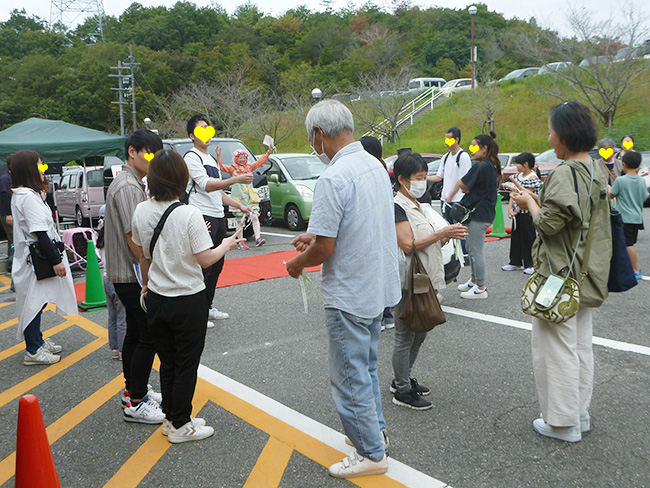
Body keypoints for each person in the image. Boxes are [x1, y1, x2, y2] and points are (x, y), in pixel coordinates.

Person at [286, 99, 401, 479]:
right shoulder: (373, 164)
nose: (313, 146)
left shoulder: (334, 177)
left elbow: (325, 248)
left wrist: (297, 263)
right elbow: (352, 225)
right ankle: (375, 435)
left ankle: (370, 453)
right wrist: (315, 238)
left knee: (349, 374)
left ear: (319, 135)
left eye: (311, 138)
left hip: (350, 289)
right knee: (365, 366)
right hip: (377, 283)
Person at [513, 100, 611, 443]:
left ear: (564, 136)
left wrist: (529, 203)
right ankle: (578, 412)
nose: (549, 134)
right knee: (580, 344)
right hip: (588, 270)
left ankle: (561, 421)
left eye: (551, 128)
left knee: (555, 348)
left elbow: (549, 224)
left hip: (559, 274)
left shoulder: (563, 173)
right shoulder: (598, 169)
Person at [132, 150, 243, 443]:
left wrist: (146, 283)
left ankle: (171, 417)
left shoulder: (141, 210)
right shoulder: (189, 213)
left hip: (156, 297)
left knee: (168, 361)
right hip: (188, 298)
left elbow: (145, 255)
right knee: (186, 363)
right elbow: (205, 259)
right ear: (182, 178)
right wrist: (228, 244)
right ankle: (181, 424)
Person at [392, 152, 467, 410]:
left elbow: (426, 241)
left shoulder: (417, 204)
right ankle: (401, 389)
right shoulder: (397, 206)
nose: (423, 182)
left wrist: (447, 236)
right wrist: (441, 234)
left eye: (425, 176)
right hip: (407, 281)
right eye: (418, 177)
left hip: (424, 279)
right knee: (405, 335)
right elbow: (407, 245)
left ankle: (403, 378)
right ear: (402, 179)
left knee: (420, 331)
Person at [105, 129, 165, 423]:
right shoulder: (128, 186)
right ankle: (137, 400)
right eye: (149, 153)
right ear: (132, 151)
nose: (153, 160)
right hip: (131, 273)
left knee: (134, 332)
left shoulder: (128, 182)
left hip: (122, 271)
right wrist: (148, 272)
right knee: (148, 335)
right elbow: (134, 236)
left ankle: (134, 391)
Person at [183, 116, 253, 326]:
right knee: (203, 265)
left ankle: (207, 307)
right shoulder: (191, 157)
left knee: (217, 264)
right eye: (200, 130)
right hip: (201, 215)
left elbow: (219, 192)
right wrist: (237, 179)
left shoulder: (211, 159)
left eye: (208, 129)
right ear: (192, 136)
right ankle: (197, 312)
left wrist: (239, 205)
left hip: (218, 215)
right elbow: (205, 185)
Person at [10, 150, 77, 365]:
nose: (43, 168)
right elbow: (40, 232)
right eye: (40, 165)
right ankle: (33, 350)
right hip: (35, 260)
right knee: (34, 303)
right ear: (29, 168)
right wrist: (56, 260)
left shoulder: (25, 194)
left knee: (37, 301)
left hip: (30, 258)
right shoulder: (27, 197)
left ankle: (36, 341)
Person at [448, 131, 501, 299]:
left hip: (478, 215)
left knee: (475, 252)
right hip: (483, 213)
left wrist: (463, 187)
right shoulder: (490, 165)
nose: (471, 149)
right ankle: (474, 280)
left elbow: (462, 184)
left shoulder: (480, 166)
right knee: (471, 249)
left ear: (484, 148)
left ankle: (480, 287)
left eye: (474, 146)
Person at [359, 135, 394, 331]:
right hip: (386, 226)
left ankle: (378, 316)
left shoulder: (368, 169)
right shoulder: (382, 168)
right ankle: (387, 315)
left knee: (373, 273)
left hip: (372, 228)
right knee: (385, 269)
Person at [217, 144, 272, 249]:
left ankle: (258, 238)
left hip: (249, 196)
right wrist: (218, 157)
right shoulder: (232, 169)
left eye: (244, 158)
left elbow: (259, 162)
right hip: (239, 197)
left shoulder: (249, 167)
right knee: (240, 220)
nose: (242, 160)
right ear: (236, 159)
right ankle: (240, 241)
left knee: (255, 216)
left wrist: (268, 153)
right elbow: (222, 167)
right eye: (240, 158)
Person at [609, 150, 648, 279]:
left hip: (624, 218)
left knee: (627, 244)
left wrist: (608, 188)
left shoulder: (621, 180)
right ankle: (627, 268)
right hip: (636, 217)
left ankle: (635, 270)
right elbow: (644, 198)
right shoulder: (641, 181)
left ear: (624, 164)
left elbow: (611, 195)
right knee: (628, 243)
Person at [502, 152, 542, 275]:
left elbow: (525, 196)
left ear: (525, 164)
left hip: (527, 213)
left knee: (528, 237)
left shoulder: (532, 178)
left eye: (518, 163)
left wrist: (516, 209)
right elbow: (513, 195)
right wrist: (510, 209)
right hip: (517, 213)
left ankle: (531, 263)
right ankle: (515, 261)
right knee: (516, 237)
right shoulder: (518, 176)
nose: (516, 166)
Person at [97, 205, 126, 360]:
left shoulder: (101, 237)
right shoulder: (116, 236)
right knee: (123, 317)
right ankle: (123, 350)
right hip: (118, 279)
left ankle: (114, 348)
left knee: (112, 315)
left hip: (106, 278)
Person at [427, 127, 472, 223]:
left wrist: (451, 196)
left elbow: (462, 180)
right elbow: (439, 177)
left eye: (449, 139)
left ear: (456, 139)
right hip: (445, 200)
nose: (446, 142)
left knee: (458, 231)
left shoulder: (463, 156)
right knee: (447, 230)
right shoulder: (446, 157)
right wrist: (423, 177)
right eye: (445, 139)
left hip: (458, 200)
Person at [0, 156, 14, 290]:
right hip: (7, 213)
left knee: (13, 239)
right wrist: (8, 214)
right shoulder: (5, 179)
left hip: (11, 212)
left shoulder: (15, 177)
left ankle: (13, 265)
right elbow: (4, 196)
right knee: (13, 238)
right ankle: (11, 266)